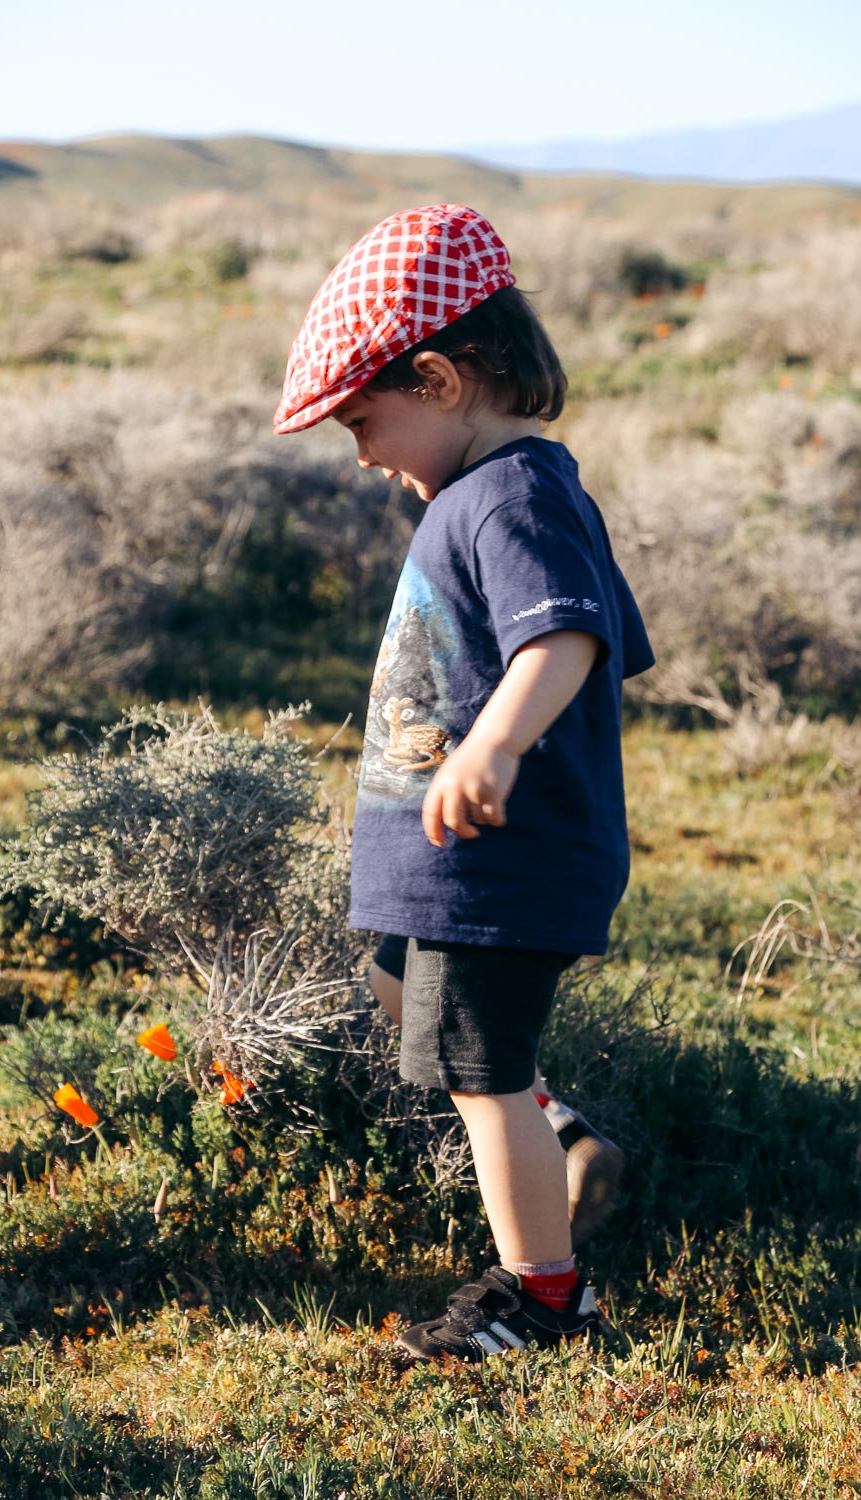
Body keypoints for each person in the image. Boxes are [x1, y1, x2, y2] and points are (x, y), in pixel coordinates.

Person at [273, 204, 654, 1362]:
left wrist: (491, 749)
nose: (363, 454)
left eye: (364, 422)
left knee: (481, 1077)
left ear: (437, 378)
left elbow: (568, 641)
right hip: (451, 866)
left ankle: (543, 1305)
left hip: (504, 856)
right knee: (399, 993)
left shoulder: (516, 496)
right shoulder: (476, 497)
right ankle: (564, 1136)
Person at [368, 932, 625, 1254]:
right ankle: (559, 1127)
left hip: (477, 894)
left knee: (476, 1078)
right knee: (394, 976)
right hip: (565, 895)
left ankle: (542, 1288)